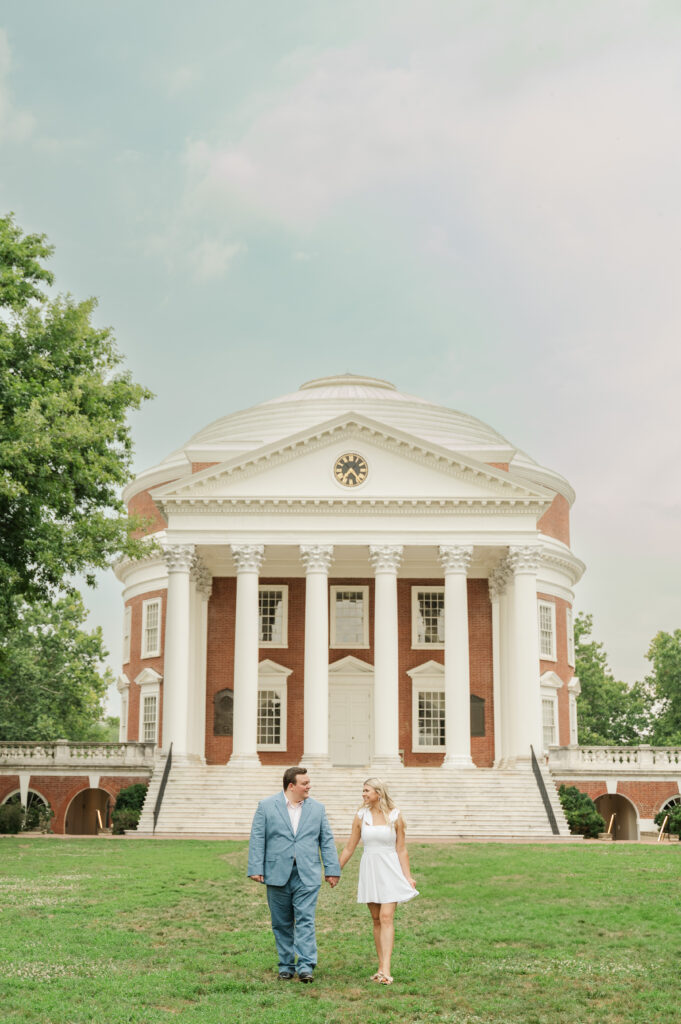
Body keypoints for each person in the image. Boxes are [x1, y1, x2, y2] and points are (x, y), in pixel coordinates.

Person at [248, 766, 341, 983]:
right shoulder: (266, 806)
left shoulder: (317, 809)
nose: (309, 786)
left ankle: (306, 965)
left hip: (307, 872)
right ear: (292, 786)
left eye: (309, 783)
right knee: (281, 923)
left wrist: (332, 869)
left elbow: (326, 840)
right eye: (305, 783)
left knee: (305, 920)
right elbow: (257, 838)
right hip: (276, 872)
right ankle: (286, 966)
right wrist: (255, 868)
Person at [339, 777, 418, 985]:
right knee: (375, 919)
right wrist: (335, 869)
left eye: (367, 791)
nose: (363, 794)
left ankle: (387, 970)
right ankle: (380, 967)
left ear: (378, 793)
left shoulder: (395, 816)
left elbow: (401, 849)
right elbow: (350, 847)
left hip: (390, 869)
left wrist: (407, 875)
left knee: (386, 917)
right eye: (363, 791)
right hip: (370, 869)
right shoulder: (360, 816)